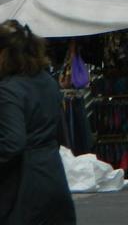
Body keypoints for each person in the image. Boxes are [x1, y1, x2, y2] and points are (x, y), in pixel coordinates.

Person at [0, 20, 77, 225]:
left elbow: (13, 142)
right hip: (54, 176)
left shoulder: (8, 90)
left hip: (23, 187)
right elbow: (61, 133)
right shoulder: (47, 81)